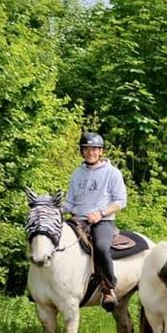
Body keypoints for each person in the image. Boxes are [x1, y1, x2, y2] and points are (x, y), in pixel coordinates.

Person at [62, 132, 127, 311]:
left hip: (102, 221)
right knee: (53, 239)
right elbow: (70, 202)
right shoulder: (77, 173)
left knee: (101, 247)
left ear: (100, 151)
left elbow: (121, 201)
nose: (90, 152)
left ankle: (108, 289)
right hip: (77, 219)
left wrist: (101, 213)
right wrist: (56, 209)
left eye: (94, 149)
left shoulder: (112, 173)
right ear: (82, 152)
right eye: (87, 149)